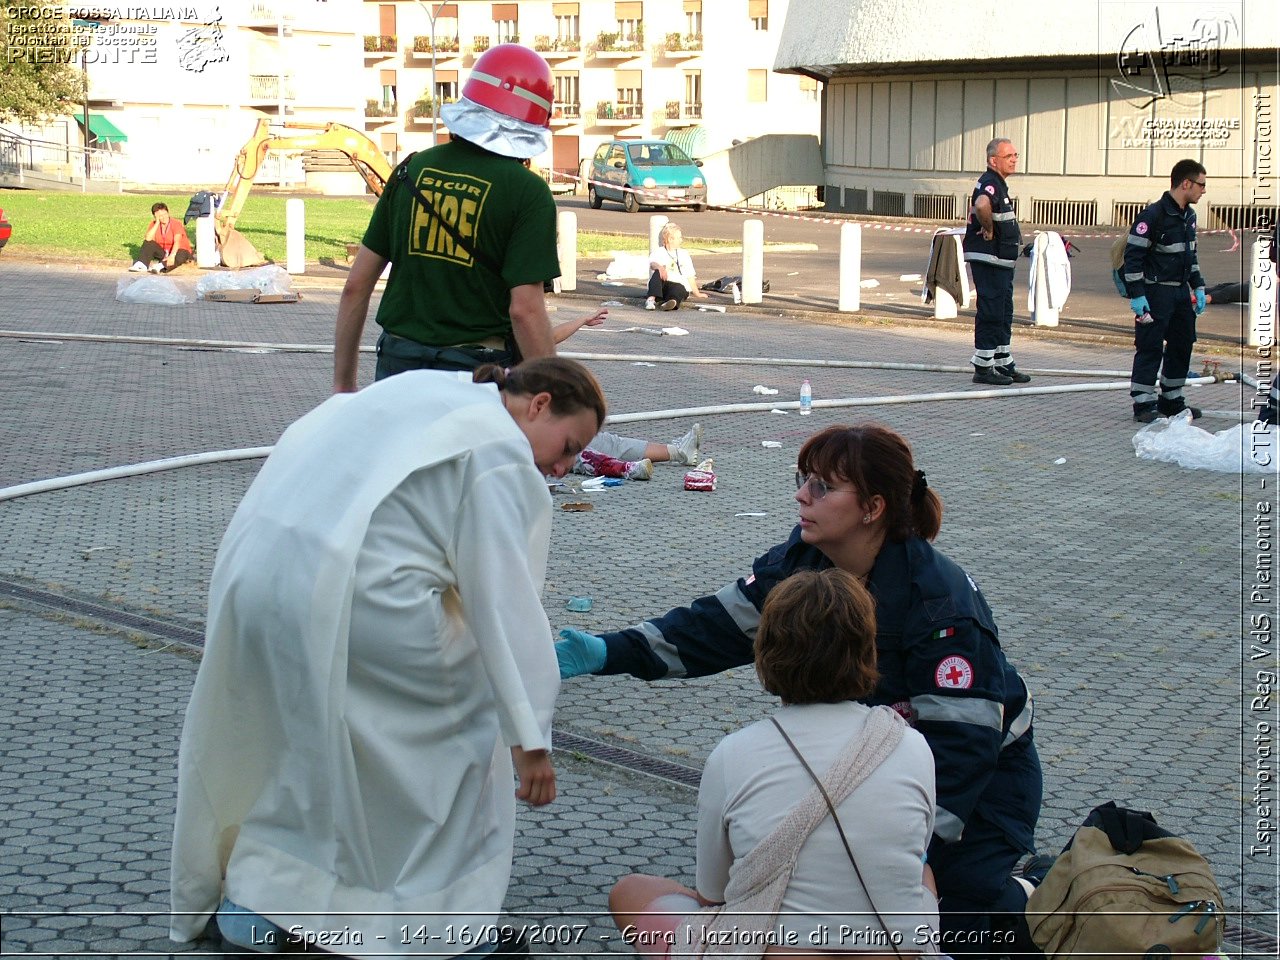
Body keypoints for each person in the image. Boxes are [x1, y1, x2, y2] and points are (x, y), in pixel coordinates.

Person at [170, 358, 607, 956]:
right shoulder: (499, 449)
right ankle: (439, 924)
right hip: (363, 602)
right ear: (539, 404)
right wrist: (529, 734)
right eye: (568, 445)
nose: (562, 467)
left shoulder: (427, 387)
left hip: (263, 580)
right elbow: (505, 604)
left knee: (306, 744)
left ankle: (260, 904)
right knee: (456, 745)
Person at [557, 423, 1044, 958]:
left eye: (822, 486)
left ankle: (1027, 893)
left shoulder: (941, 608)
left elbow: (963, 750)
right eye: (803, 480)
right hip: (874, 761)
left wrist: (905, 854)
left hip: (980, 783)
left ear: (873, 508)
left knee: (954, 923)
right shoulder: (803, 561)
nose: (800, 496)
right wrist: (609, 651)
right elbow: (712, 628)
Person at [609, 568, 941, 959]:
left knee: (629, 892)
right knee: (924, 872)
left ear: (767, 652)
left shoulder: (733, 754)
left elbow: (713, 893)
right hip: (890, 950)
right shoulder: (910, 744)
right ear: (868, 650)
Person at [333, 44, 561, 393]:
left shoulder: (410, 169)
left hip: (397, 365)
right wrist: (551, 397)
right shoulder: (528, 192)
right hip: (477, 374)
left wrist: (343, 387)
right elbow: (525, 312)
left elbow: (355, 287)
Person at [1122, 159, 1208, 424]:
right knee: (1150, 346)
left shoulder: (1188, 217)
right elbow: (1133, 257)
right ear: (1186, 184)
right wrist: (1137, 295)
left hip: (1180, 293)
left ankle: (1171, 399)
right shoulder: (1153, 215)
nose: (1203, 191)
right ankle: (1143, 402)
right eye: (1201, 185)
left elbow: (1189, 256)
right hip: (1155, 293)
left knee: (1182, 344)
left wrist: (1199, 285)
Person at [962, 139, 1029, 386]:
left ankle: (1002, 360)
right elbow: (981, 205)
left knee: (1003, 311)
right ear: (993, 160)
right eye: (1008, 155)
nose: (1014, 159)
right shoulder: (990, 183)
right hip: (990, 259)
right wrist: (988, 229)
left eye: (1015, 154)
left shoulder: (998, 184)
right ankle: (983, 366)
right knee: (991, 311)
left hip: (1001, 261)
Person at [646, 222, 709, 311]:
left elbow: (690, 275)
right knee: (657, 273)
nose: (681, 240)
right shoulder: (659, 252)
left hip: (678, 285)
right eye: (679, 238)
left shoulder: (684, 254)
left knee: (678, 289)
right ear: (670, 239)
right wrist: (660, 268)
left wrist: (697, 293)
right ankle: (651, 300)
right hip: (663, 285)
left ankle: (670, 303)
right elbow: (652, 263)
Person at [129, 202, 193, 273]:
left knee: (181, 255)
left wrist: (172, 255)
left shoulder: (176, 223)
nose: (164, 217)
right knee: (149, 243)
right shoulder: (154, 224)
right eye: (160, 216)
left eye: (165, 214)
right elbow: (148, 239)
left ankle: (161, 266)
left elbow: (177, 242)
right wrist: (157, 223)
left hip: (178, 251)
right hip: (164, 253)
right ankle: (142, 265)